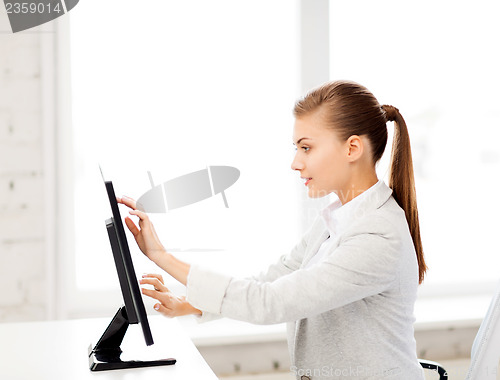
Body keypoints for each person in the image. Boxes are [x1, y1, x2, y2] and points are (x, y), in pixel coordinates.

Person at [118, 80, 427, 379]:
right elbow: (276, 277)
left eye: (306, 148)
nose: (295, 162)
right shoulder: (336, 220)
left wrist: (161, 256)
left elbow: (271, 302)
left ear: (352, 148)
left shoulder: (377, 235)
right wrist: (189, 302)